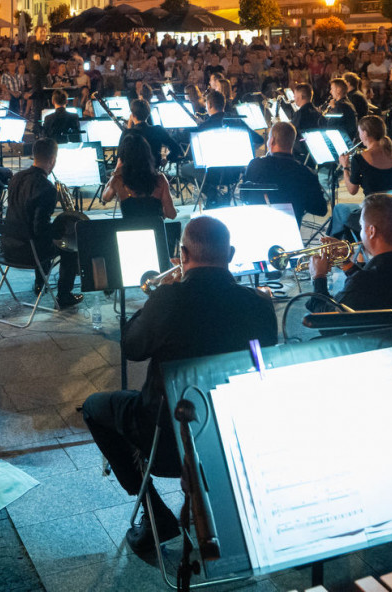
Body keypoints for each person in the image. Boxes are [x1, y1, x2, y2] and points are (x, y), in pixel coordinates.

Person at [82, 216, 278, 557]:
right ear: (231, 254)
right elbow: (264, 364)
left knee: (94, 407)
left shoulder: (168, 299)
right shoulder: (259, 304)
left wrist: (158, 297)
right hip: (230, 440)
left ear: (183, 255)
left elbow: (132, 347)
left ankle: (154, 512)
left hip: (168, 444)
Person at [310, 193, 392, 416]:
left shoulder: (366, 283)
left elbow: (325, 325)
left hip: (381, 387)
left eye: (362, 226)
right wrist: (347, 264)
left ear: (372, 231)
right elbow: (378, 290)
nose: (361, 233)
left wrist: (318, 278)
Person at [0, 137, 81, 306]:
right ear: (52, 160)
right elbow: (40, 230)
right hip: (28, 254)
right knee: (70, 248)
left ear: (34, 155)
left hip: (6, 248)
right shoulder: (46, 187)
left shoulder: (16, 177)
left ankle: (40, 283)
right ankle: (64, 296)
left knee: (40, 239)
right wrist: (61, 231)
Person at [240, 122, 328, 223]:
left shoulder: (255, 165)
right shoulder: (306, 172)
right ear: (292, 143)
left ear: (271, 141)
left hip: (258, 224)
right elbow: (321, 209)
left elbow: (244, 196)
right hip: (291, 228)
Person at [103, 134, 177, 223]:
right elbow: (171, 214)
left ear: (123, 156)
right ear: (148, 154)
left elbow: (105, 198)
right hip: (155, 228)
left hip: (129, 229)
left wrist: (115, 171)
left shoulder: (118, 180)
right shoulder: (160, 179)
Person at [120, 98, 176, 167]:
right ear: (148, 114)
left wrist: (129, 128)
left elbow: (121, 158)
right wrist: (166, 158)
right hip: (153, 171)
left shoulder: (127, 133)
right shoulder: (158, 130)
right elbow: (176, 148)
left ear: (132, 115)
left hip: (133, 172)